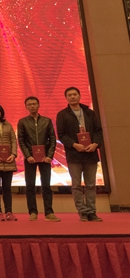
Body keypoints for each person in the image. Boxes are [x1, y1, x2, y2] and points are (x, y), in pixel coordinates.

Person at [56, 87, 104, 222]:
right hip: (74, 154)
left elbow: (98, 131)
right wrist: (74, 144)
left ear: (79, 96)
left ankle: (92, 212)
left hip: (91, 153)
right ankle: (82, 212)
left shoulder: (89, 113)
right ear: (66, 98)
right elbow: (61, 135)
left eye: (75, 94)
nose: (72, 97)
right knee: (76, 185)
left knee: (91, 185)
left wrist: (95, 144)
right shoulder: (62, 114)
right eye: (69, 95)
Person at [17, 96, 60, 222]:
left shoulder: (47, 121)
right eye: (29, 104)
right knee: (30, 186)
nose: (32, 106)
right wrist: (28, 156)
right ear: (26, 107)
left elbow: (52, 139)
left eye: (34, 104)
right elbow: (21, 140)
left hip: (45, 158)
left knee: (46, 185)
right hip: (30, 158)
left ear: (38, 105)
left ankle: (49, 212)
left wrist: (49, 156)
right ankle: (32, 212)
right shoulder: (22, 122)